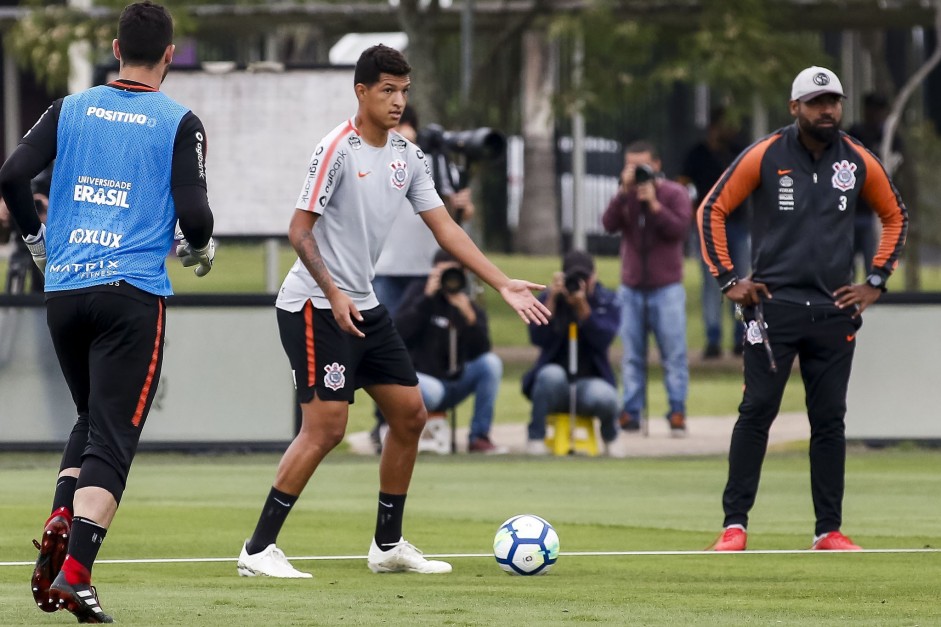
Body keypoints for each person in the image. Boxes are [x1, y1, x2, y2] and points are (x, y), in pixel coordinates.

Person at [236, 44, 549, 579]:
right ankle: (257, 550)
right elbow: (298, 229)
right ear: (361, 92)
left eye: (404, 90)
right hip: (314, 304)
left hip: (364, 306)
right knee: (327, 428)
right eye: (387, 90)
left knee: (410, 414)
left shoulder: (409, 158)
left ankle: (387, 546)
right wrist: (334, 293)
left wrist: (500, 283)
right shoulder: (336, 148)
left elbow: (445, 228)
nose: (398, 100)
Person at [0, 2, 216, 622]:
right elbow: (195, 215)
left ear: (116, 50)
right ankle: (76, 574)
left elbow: (13, 174)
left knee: (89, 418)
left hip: (65, 293)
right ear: (170, 56)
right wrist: (201, 248)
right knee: (113, 441)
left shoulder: (70, 108)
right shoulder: (180, 120)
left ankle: (59, 523)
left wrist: (36, 241)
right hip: (130, 294)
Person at [698, 66, 907, 552]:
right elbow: (712, 209)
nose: (827, 109)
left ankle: (828, 530)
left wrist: (875, 280)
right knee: (757, 411)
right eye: (815, 102)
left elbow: (895, 214)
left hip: (834, 309)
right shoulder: (767, 154)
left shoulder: (856, 161)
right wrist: (729, 280)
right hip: (773, 308)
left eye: (833, 100)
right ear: (795, 108)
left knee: (830, 419)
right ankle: (734, 526)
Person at [368, 104, 476, 453]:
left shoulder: (432, 164)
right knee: (380, 347)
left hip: (425, 269)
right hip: (385, 268)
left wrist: (463, 206)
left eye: (405, 125)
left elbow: (454, 216)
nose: (399, 132)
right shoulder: (376, 160)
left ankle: (410, 420)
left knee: (413, 347)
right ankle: (381, 423)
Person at [601, 140, 693, 436]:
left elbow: (679, 230)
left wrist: (653, 204)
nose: (635, 171)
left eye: (640, 165)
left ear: (656, 165)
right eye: (629, 165)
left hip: (666, 287)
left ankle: (676, 410)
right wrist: (622, 193)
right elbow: (608, 224)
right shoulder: (625, 196)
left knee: (673, 353)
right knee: (632, 354)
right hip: (631, 287)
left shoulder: (674, 194)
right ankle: (631, 411)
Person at [394, 249, 506, 454]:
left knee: (491, 364)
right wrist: (426, 299)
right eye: (443, 273)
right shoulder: (419, 294)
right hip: (423, 382)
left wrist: (469, 317)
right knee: (434, 391)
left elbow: (481, 349)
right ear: (433, 272)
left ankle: (479, 437)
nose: (448, 280)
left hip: (455, 380)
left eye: (453, 274)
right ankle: (402, 432)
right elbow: (399, 334)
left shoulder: (466, 303)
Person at [522, 250, 621, 456]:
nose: (581, 283)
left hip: (589, 383)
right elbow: (536, 338)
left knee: (608, 397)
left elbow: (604, 339)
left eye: (585, 277)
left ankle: (611, 438)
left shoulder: (606, 300)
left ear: (594, 276)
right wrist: (551, 302)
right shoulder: (551, 298)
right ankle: (535, 437)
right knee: (549, 375)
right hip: (556, 384)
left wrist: (583, 308)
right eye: (575, 278)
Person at [678, 107, 749, 359]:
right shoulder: (698, 153)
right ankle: (713, 336)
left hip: (738, 223)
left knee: (740, 283)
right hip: (708, 227)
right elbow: (682, 185)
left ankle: (741, 333)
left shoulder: (737, 150)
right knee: (712, 283)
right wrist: (692, 211)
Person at [847, 92, 904, 279]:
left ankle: (874, 286)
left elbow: (897, 163)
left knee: (873, 256)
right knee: (847, 259)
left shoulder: (889, 136)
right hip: (851, 208)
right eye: (871, 110)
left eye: (879, 110)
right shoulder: (854, 133)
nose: (875, 114)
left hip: (876, 210)